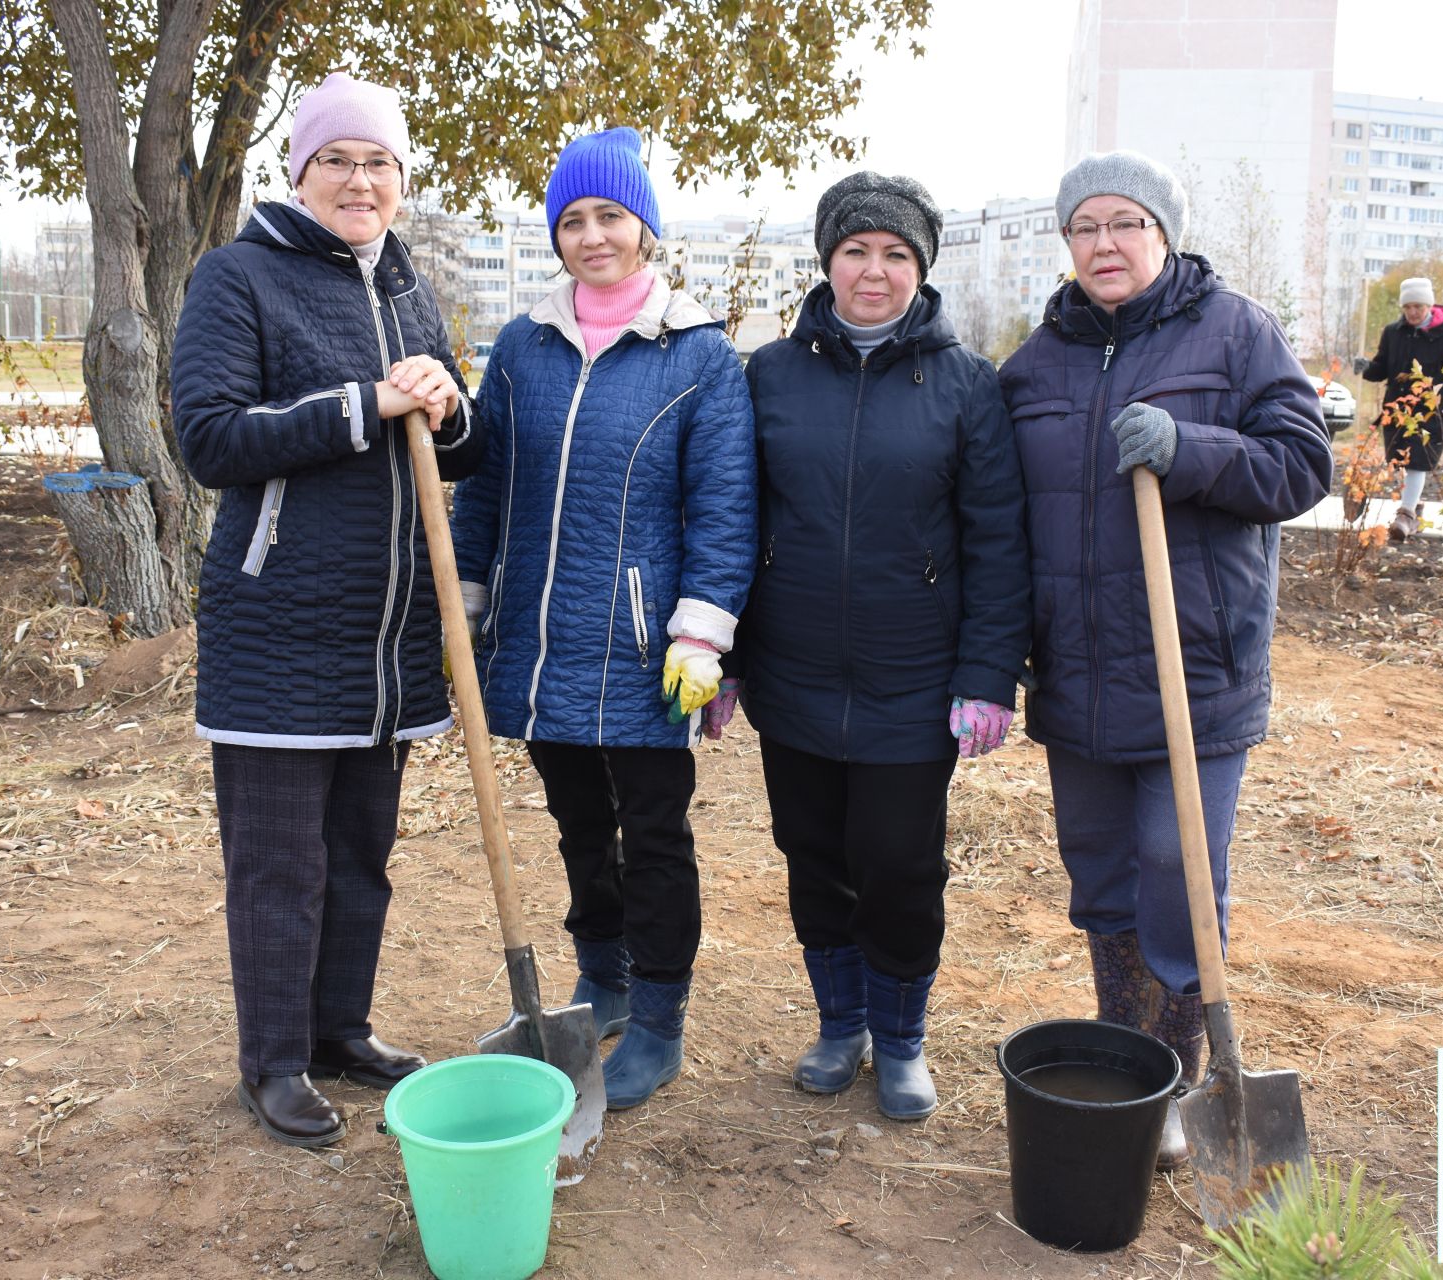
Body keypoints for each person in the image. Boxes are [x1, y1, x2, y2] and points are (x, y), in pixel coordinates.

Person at [998, 151, 1331, 1165]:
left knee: (1175, 866)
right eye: (1086, 227)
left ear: (1164, 235)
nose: (1105, 243)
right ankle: (1135, 1066)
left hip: (1197, 666)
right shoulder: (1033, 364)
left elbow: (1303, 462)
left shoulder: (1235, 332)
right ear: (1067, 244)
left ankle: (1183, 1075)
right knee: (1100, 873)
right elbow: (1001, 514)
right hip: (1078, 669)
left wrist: (1192, 450)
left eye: (1125, 223)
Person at [169, 72, 479, 1149]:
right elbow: (209, 437)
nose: (360, 179)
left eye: (380, 163)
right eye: (338, 159)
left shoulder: (406, 287)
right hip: (279, 630)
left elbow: (456, 447)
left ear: (401, 182)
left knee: (359, 853)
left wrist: (447, 401)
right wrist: (363, 404)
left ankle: (340, 1027)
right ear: (298, 171)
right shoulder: (238, 278)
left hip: (383, 640)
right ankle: (275, 1060)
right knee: (279, 864)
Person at [449, 127, 756, 1111]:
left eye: (610, 217)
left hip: (643, 650)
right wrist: (467, 601)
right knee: (579, 821)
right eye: (572, 220)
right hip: (539, 645)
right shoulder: (522, 350)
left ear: (645, 229)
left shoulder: (698, 356)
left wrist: (702, 633)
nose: (592, 236)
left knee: (653, 834)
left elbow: (723, 506)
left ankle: (659, 1014)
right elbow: (483, 486)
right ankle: (606, 970)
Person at [723, 172, 1030, 1121]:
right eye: (857, 250)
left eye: (897, 254)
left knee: (899, 864)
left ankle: (900, 1041)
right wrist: (725, 652)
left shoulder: (969, 386)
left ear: (922, 269)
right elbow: (734, 518)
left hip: (913, 680)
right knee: (811, 854)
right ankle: (838, 1023)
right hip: (796, 670)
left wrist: (987, 675)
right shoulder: (770, 374)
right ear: (827, 261)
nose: (875, 270)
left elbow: (997, 539)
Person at [1356, 277, 1443, 541]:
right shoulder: (1393, 332)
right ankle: (1414, 506)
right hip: (1396, 409)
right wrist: (1365, 368)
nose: (1413, 312)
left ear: (1428, 305)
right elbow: (1382, 369)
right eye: (1408, 307)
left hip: (1431, 413)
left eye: (1418, 306)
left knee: (1418, 461)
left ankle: (1406, 514)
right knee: (1397, 461)